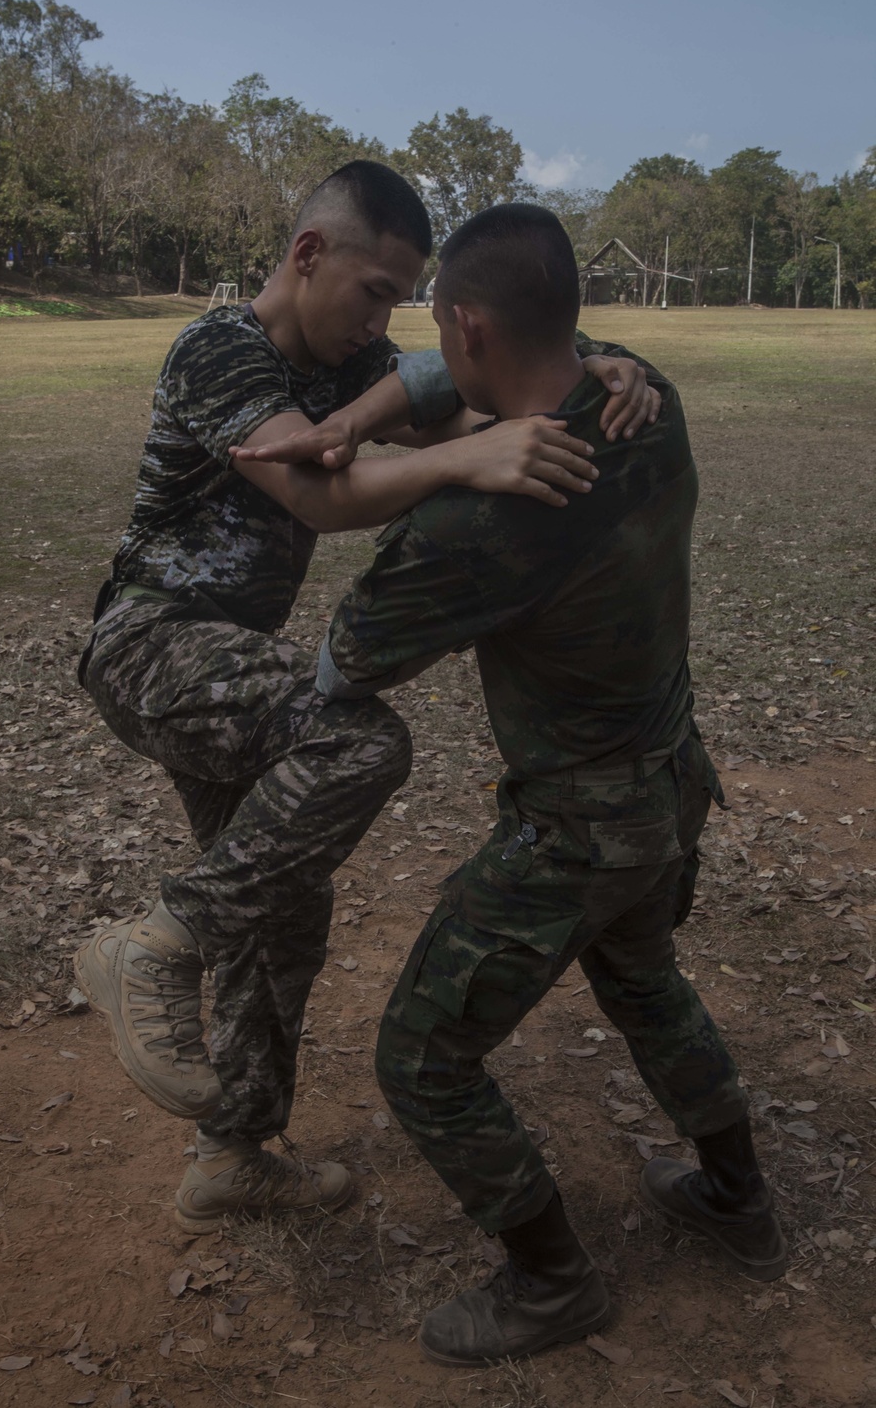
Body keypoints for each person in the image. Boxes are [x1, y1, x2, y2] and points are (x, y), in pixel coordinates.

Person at [72, 161, 659, 1230]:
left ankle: (231, 1154)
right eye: (374, 290)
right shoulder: (219, 351)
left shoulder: (355, 366)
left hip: (230, 666)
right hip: (150, 640)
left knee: (287, 906)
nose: (383, 317)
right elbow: (313, 491)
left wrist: (609, 369)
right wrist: (467, 463)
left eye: (402, 299)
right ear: (308, 255)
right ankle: (155, 943)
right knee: (358, 745)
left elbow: (481, 385)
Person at [315, 203, 786, 1366]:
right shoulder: (645, 398)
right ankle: (738, 1197)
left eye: (439, 322)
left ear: (467, 323)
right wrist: (456, 411)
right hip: (669, 783)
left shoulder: (484, 521)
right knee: (644, 985)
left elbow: (346, 660)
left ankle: (550, 1279)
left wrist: (426, 462)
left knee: (422, 1057)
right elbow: (514, 370)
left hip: (575, 827)